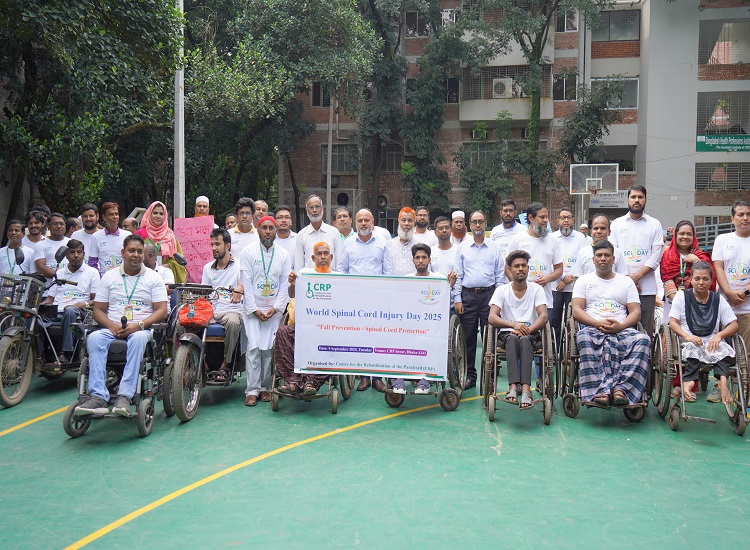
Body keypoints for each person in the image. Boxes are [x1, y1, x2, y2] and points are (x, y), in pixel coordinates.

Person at [75, 234, 168, 416]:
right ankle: (98, 396)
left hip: (141, 328)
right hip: (113, 328)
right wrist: (111, 326)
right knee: (94, 338)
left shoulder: (154, 278)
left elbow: (162, 310)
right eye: (131, 251)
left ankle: (125, 395)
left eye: (139, 251)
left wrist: (138, 325)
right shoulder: (109, 277)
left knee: (139, 339)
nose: (136, 255)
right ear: (123, 252)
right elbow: (98, 310)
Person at [571, 240, 651, 406]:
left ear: (614, 259)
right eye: (599, 255)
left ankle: (622, 389)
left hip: (622, 327)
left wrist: (621, 326)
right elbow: (577, 311)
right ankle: (600, 391)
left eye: (607, 255)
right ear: (593, 259)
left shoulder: (626, 282)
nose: (603, 258)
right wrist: (597, 323)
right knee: (583, 337)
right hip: (592, 326)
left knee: (643, 340)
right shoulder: (583, 281)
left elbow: (636, 312)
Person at [337, 208, 392, 392]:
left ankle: (377, 377)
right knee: (359, 338)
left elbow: (388, 272)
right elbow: (342, 270)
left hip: (377, 299)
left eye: (366, 220)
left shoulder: (382, 243)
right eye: (360, 220)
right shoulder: (348, 244)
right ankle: (363, 376)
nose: (363, 223)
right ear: (355, 223)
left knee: (377, 338)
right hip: (355, 300)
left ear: (372, 222)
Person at [668, 261, 738, 405]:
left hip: (712, 339)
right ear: (691, 280)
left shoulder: (718, 299)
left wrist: (719, 335)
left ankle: (722, 381)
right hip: (688, 339)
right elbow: (673, 322)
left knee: (722, 348)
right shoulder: (681, 296)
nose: (701, 282)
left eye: (705, 279)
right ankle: (689, 381)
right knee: (693, 346)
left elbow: (734, 324)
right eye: (697, 278)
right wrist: (687, 336)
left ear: (711, 281)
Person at [240, 216, 291, 406]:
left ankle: (264, 387)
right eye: (264, 228)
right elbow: (246, 282)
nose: (268, 232)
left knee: (269, 349)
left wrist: (276, 308)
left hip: (273, 310)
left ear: (276, 230)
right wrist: (254, 309)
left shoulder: (284, 254)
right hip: (253, 310)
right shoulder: (248, 252)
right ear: (258, 230)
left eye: (271, 228)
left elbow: (285, 284)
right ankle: (251, 390)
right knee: (253, 348)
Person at [487, 250, 548, 408]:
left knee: (525, 340)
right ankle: (513, 387)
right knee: (513, 338)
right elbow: (492, 317)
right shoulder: (502, 290)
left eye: (523, 265)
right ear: (510, 269)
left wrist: (528, 329)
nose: (521, 268)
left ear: (528, 268)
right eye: (516, 266)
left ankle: (526, 390)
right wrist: (513, 325)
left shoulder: (537, 289)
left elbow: (543, 316)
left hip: (531, 333)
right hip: (508, 333)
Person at [276, 242, 334, 396]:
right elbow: (292, 294)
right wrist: (293, 283)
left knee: (331, 338)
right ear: (313, 258)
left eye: (326, 254)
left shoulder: (338, 277)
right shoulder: (304, 273)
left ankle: (311, 382)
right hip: (303, 326)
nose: (323, 257)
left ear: (331, 257)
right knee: (282, 332)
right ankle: (293, 380)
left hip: (326, 328)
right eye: (319, 254)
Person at [453, 210, 503, 389]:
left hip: (489, 296)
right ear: (470, 224)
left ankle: (490, 376)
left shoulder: (495, 248)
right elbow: (458, 276)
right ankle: (469, 376)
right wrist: (457, 299)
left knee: (490, 337)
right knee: (468, 338)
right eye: (474, 222)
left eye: (480, 221)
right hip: (468, 296)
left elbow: (500, 277)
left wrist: (499, 301)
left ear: (485, 223)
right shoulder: (463, 247)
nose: (477, 225)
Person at [609, 185, 664, 338]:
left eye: (640, 197)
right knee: (621, 330)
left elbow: (656, 256)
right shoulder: (617, 224)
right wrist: (629, 279)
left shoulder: (655, 224)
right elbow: (613, 254)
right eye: (633, 197)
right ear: (628, 199)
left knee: (645, 332)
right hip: (621, 287)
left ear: (645, 200)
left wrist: (637, 277)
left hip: (646, 289)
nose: (636, 200)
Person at [391, 243, 445, 395]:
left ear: (429, 260)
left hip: (432, 325)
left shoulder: (439, 279)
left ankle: (425, 380)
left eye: (424, 257)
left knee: (430, 342)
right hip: (410, 324)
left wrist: (451, 281)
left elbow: (447, 290)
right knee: (397, 340)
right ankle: (399, 379)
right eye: (417, 258)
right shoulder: (406, 279)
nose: (420, 260)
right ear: (413, 260)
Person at [41, 239, 99, 363]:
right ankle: (40, 355)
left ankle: (66, 353)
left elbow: (96, 299)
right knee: (35, 316)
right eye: (72, 252)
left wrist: (82, 304)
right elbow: (50, 299)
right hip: (56, 312)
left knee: (70, 311)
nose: (76, 255)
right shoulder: (60, 273)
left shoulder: (92, 272)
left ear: (84, 254)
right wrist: (40, 306)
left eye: (79, 252)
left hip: (79, 312)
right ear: (67, 255)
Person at [506, 202, 563, 320]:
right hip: (520, 300)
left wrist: (547, 279)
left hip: (544, 299)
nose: (545, 220)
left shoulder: (553, 240)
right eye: (542, 217)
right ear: (531, 218)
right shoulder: (517, 239)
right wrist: (519, 286)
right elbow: (507, 268)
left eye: (546, 217)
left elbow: (559, 269)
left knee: (543, 330)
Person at [712, 199, 750, 378]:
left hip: (747, 309)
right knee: (723, 352)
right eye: (741, 215)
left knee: (746, 354)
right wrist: (728, 292)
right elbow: (718, 268)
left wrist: (745, 292)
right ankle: (721, 385)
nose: (745, 218)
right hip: (725, 307)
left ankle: (745, 387)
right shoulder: (722, 240)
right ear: (732, 218)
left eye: (748, 214)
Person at [202, 228, 245, 381]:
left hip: (231, 310)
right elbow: (205, 294)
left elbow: (243, 283)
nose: (214, 248)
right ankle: (203, 365)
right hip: (212, 311)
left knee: (233, 322)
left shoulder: (240, 265)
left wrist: (240, 288)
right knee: (189, 321)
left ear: (227, 245)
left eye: (217, 244)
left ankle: (225, 365)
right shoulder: (207, 268)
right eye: (212, 244)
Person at [549, 208, 587, 347]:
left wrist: (567, 279)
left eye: (568, 217)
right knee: (554, 321)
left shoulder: (580, 237)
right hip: (555, 286)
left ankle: (570, 352)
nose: (566, 220)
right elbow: (550, 261)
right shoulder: (551, 237)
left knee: (572, 322)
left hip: (574, 287)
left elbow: (582, 260)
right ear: (558, 220)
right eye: (563, 218)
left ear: (573, 220)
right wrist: (562, 276)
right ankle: (553, 352)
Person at [661, 220, 715, 302]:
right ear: (675, 235)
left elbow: (710, 277)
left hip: (699, 301)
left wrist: (697, 261)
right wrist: (679, 302)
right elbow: (666, 278)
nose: (685, 237)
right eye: (682, 233)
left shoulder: (701, 256)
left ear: (694, 237)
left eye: (689, 234)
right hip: (673, 301)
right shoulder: (668, 255)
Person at [135, 201, 187, 283]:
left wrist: (165, 266)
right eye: (155, 213)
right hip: (143, 277)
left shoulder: (170, 235)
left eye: (161, 214)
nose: (158, 216)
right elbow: (134, 255)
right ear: (149, 214)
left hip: (165, 278)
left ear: (165, 216)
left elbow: (179, 260)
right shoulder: (140, 234)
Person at [294, 194, 343, 271]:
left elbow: (340, 263)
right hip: (309, 278)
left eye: (317, 207)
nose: (314, 210)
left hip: (331, 277)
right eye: (311, 207)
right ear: (307, 211)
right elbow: (298, 266)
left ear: (322, 209)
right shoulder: (301, 235)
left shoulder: (334, 232)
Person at [88, 202, 132, 276]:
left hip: (123, 277)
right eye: (111, 214)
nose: (115, 217)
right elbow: (92, 262)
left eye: (116, 214)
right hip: (104, 278)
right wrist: (98, 278)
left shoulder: (127, 235)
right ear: (104, 217)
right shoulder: (96, 236)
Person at [34, 212, 70, 296]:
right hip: (47, 291)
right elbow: (41, 268)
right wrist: (61, 276)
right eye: (55, 224)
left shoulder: (71, 243)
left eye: (61, 224)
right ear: (48, 226)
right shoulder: (40, 245)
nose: (59, 226)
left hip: (68, 291)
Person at [388, 207, 422, 276]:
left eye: (410, 221)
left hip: (414, 282)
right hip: (393, 282)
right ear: (399, 221)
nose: (406, 223)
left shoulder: (419, 245)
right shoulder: (389, 244)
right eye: (403, 220)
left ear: (414, 222)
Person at [430, 216, 458, 284]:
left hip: (454, 289)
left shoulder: (458, 250)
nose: (444, 230)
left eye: (447, 228)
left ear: (451, 230)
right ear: (435, 232)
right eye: (440, 228)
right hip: (435, 289)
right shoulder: (430, 252)